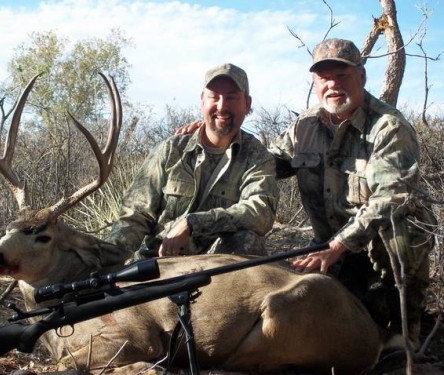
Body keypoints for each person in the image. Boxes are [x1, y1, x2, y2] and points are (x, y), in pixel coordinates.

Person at [269, 38, 436, 348]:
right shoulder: (303, 126)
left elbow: (391, 198)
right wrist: (222, 136)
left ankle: (405, 329)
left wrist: (337, 246)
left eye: (342, 75)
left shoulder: (388, 127)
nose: (333, 84)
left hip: (373, 243)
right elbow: (265, 165)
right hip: (330, 247)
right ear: (315, 83)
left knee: (399, 232)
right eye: (324, 77)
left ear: (362, 76)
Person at [105, 63, 278, 260]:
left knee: (247, 242)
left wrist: (193, 223)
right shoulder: (171, 149)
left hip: (216, 267)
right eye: (214, 97)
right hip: (159, 262)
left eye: (231, 97)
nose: (222, 106)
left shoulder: (258, 157)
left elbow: (259, 211)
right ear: (202, 101)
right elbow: (135, 215)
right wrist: (111, 259)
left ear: (247, 104)